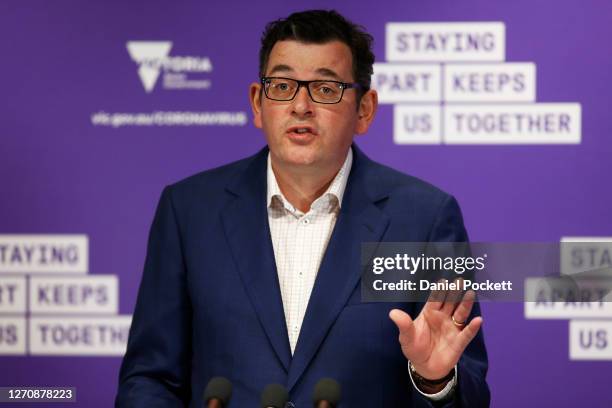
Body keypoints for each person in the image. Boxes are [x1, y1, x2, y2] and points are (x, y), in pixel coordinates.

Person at [116, 10, 489, 407]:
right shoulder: (190, 211)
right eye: (282, 85)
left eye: (325, 89)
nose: (300, 105)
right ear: (258, 103)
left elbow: (471, 391)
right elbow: (150, 379)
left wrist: (434, 380)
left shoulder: (424, 218)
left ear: (365, 110)